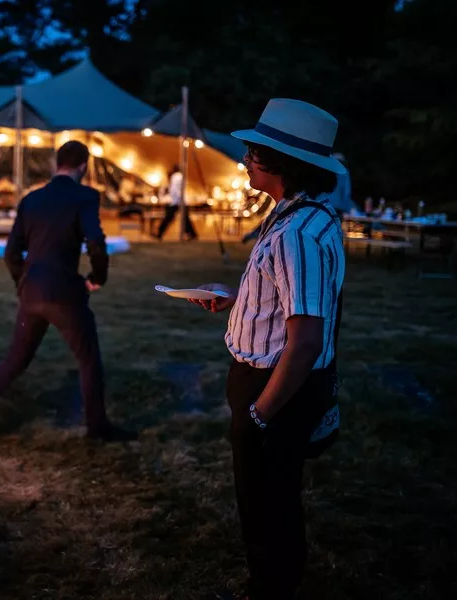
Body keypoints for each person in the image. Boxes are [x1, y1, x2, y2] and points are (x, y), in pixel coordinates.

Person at [191, 99, 346, 600]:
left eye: (254, 153)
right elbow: (296, 300)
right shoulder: (308, 215)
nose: (245, 160)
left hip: (274, 385)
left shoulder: (298, 233)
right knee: (276, 495)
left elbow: (304, 342)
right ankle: (279, 577)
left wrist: (258, 414)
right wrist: (240, 301)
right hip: (279, 381)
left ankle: (272, 586)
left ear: (282, 162)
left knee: (264, 502)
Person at [0, 141, 136, 443]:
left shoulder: (31, 200)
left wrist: (22, 283)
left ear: (55, 164)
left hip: (32, 293)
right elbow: (96, 243)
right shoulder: (85, 196)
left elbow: (11, 253)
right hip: (64, 293)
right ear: (83, 166)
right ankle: (97, 427)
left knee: (14, 361)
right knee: (88, 360)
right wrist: (98, 276)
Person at [154, 165, 198, 240]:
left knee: (169, 218)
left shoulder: (175, 177)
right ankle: (192, 234)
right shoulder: (182, 177)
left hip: (177, 201)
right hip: (181, 201)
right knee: (185, 218)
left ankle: (159, 233)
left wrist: (175, 200)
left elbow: (174, 190)